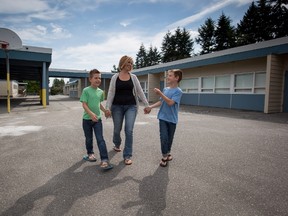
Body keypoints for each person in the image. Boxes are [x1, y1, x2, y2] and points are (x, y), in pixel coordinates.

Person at [105, 55, 149, 165]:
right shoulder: (115, 77)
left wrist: (146, 104)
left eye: (131, 63)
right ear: (122, 63)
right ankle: (117, 143)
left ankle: (127, 155)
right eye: (128, 62)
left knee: (129, 130)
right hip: (116, 107)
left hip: (131, 106)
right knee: (117, 129)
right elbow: (110, 93)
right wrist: (107, 107)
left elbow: (140, 92)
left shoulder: (133, 77)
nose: (130, 65)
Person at [144, 69, 183, 167]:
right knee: (164, 137)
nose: (167, 77)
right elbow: (161, 102)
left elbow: (170, 103)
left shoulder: (178, 91)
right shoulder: (166, 89)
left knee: (169, 138)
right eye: (168, 75)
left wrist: (160, 93)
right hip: (163, 118)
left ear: (176, 78)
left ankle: (168, 152)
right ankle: (164, 157)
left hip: (172, 119)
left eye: (170, 75)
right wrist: (150, 107)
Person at [80, 69, 113, 170]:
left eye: (99, 78)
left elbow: (99, 104)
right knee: (89, 138)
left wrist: (105, 111)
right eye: (96, 78)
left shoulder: (101, 92)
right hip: (86, 120)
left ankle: (104, 160)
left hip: (97, 120)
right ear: (90, 79)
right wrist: (90, 114)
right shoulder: (86, 90)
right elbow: (84, 104)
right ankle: (90, 154)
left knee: (100, 139)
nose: (98, 80)